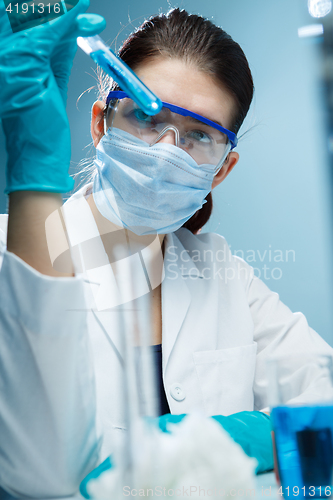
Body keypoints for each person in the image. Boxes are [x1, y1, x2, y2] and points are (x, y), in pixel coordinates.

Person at [0, 2, 332, 497]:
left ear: (221, 170)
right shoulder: (11, 253)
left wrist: (237, 436)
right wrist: (33, 180)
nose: (165, 152)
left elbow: (324, 396)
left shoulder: (223, 274)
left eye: (198, 135)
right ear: (100, 123)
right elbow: (36, 476)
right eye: (146, 118)